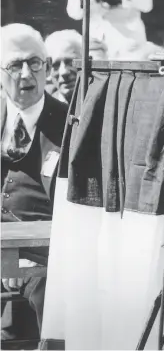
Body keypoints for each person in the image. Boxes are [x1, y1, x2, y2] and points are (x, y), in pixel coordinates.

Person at [1, 24, 68, 343]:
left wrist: (21, 260)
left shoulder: (70, 124)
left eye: (35, 63)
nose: (26, 74)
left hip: (47, 252)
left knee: (53, 298)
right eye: (15, 65)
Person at [44, 29, 81, 104]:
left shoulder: (102, 103)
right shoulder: (45, 107)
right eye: (55, 65)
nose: (64, 72)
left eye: (70, 62)